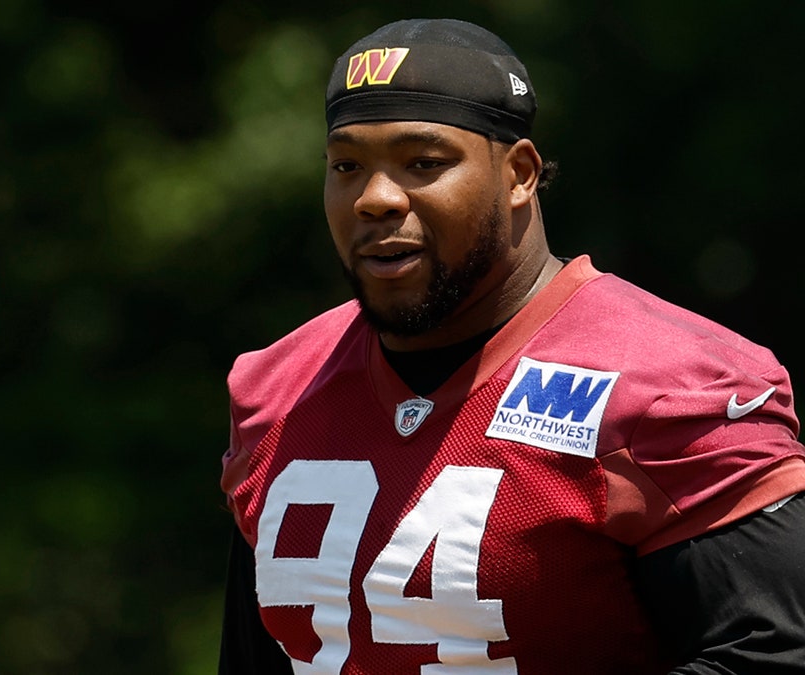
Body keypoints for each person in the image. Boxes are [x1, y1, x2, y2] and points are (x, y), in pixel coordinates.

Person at [217, 17, 805, 674]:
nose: (375, 198)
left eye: (423, 163)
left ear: (520, 173)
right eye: (347, 165)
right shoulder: (279, 387)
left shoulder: (669, 384)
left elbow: (774, 653)